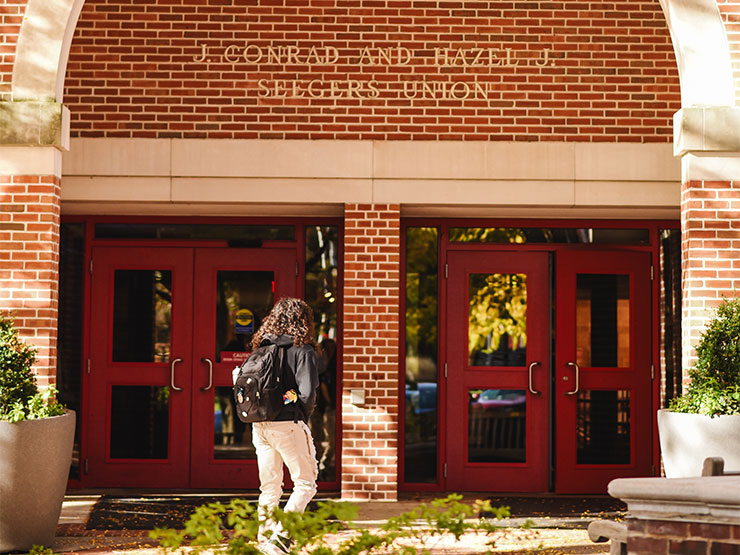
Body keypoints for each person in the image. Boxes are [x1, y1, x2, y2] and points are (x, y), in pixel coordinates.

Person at [241, 297, 320, 555]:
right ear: (304, 321)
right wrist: (302, 416)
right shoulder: (303, 350)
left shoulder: (260, 349)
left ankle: (265, 537)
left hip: (259, 425)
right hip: (288, 423)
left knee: (270, 486)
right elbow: (307, 393)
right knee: (305, 483)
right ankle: (281, 539)